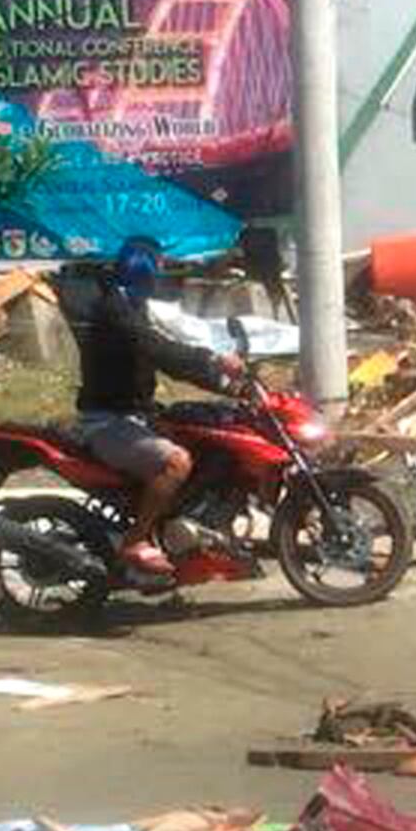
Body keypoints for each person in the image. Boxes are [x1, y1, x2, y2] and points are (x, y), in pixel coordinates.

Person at [59, 236, 248, 581]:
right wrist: (214, 358)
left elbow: (168, 362)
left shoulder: (132, 306)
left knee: (208, 438)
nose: (160, 274)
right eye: (157, 266)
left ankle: (183, 534)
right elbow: (156, 347)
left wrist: (226, 386)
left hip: (137, 414)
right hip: (107, 422)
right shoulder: (115, 309)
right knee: (176, 462)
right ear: (142, 269)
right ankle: (135, 541)